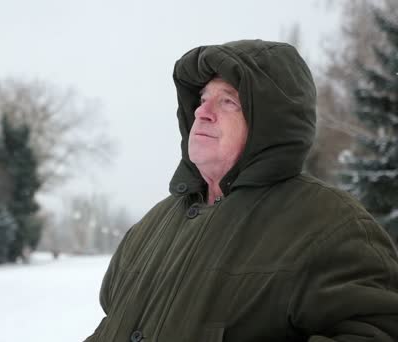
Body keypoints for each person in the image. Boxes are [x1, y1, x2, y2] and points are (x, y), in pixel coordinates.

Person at [84, 40, 398, 341]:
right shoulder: (153, 225)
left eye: (228, 101)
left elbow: (379, 331)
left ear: (270, 125)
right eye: (203, 98)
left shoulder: (332, 225)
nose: (202, 112)